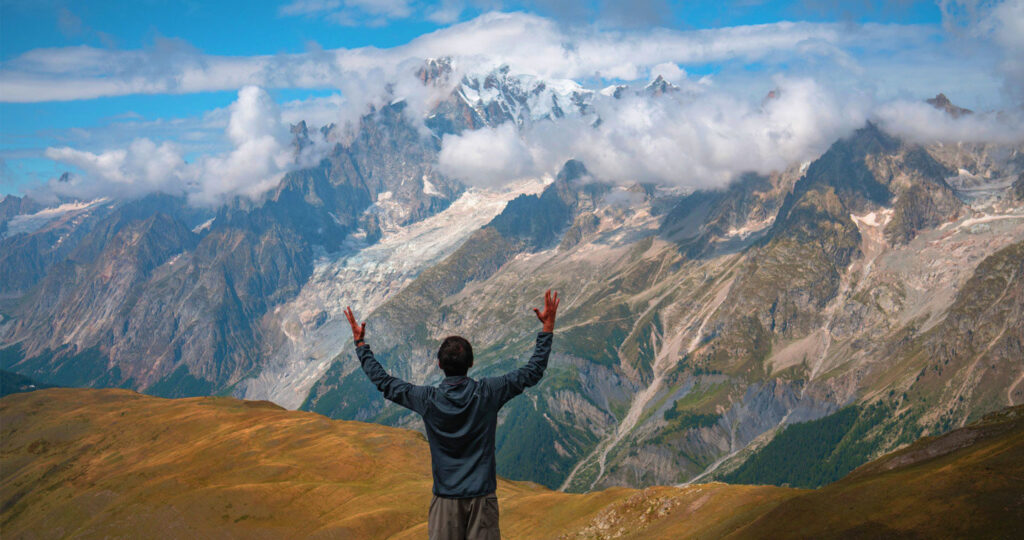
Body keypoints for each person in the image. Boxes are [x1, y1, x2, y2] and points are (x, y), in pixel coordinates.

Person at [343, 290, 559, 540]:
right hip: (482, 499)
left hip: (445, 500)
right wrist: (548, 327)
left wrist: (361, 345)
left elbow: (385, 383)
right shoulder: (488, 393)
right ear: (471, 363)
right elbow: (532, 371)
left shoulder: (428, 400)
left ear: (439, 365)